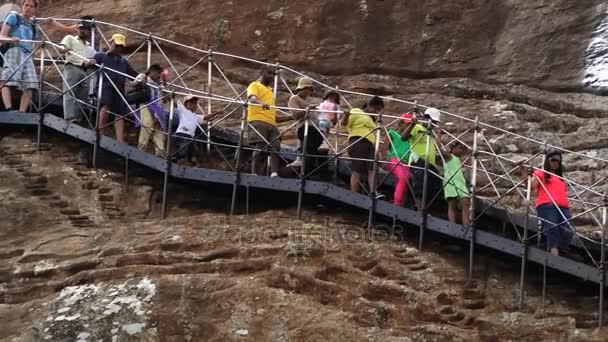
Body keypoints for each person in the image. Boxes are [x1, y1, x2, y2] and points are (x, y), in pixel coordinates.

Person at [86, 33, 138, 144]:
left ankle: (120, 139)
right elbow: (88, 64)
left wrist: (143, 78)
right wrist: (90, 62)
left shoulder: (123, 62)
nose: (118, 48)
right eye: (117, 45)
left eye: (121, 46)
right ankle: (100, 131)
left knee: (120, 112)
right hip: (105, 86)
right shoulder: (101, 56)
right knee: (106, 105)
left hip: (119, 89)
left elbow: (133, 74)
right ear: (111, 43)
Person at [520, 150, 573, 256]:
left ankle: (560, 252)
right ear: (548, 161)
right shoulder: (541, 173)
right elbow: (531, 185)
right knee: (553, 228)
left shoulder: (560, 178)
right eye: (553, 160)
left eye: (558, 161)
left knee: (569, 230)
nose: (556, 163)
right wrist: (523, 170)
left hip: (563, 207)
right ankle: (554, 253)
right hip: (547, 205)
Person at [0, 0, 39, 112]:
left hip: (27, 54)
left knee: (31, 83)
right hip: (14, 49)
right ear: (22, 6)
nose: (28, 8)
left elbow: (33, 41)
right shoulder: (13, 17)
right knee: (8, 79)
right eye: (26, 5)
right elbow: (2, 35)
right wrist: (10, 39)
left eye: (31, 6)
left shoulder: (33, 25)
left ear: (35, 9)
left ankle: (22, 111)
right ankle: (8, 108)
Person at [402, 107, 443, 210]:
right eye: (431, 120)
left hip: (431, 164)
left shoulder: (430, 133)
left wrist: (439, 135)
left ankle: (423, 208)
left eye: (434, 122)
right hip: (418, 160)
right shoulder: (417, 128)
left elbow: (436, 147)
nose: (433, 123)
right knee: (420, 184)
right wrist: (412, 124)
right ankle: (419, 208)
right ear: (425, 118)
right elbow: (403, 137)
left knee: (437, 186)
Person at [342, 96, 383, 194]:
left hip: (370, 144)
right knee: (357, 169)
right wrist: (346, 115)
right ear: (369, 105)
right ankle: (354, 193)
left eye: (378, 111)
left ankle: (374, 192)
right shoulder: (356, 111)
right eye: (376, 109)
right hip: (358, 141)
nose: (376, 112)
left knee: (372, 168)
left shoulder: (372, 119)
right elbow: (344, 123)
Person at [247, 66, 281, 177]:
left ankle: (274, 172)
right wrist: (261, 104)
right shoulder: (254, 85)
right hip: (258, 119)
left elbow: (274, 114)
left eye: (273, 74)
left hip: (272, 122)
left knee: (276, 146)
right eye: (269, 73)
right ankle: (254, 173)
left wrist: (292, 117)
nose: (271, 76)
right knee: (260, 145)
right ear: (261, 72)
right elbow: (252, 98)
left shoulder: (271, 92)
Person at [60, 18, 95, 122]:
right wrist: (64, 49)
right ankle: (69, 116)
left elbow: (94, 57)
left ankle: (78, 117)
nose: (82, 30)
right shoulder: (70, 38)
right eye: (80, 28)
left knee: (83, 95)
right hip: (72, 67)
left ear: (89, 31)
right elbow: (61, 48)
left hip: (84, 70)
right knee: (70, 91)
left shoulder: (90, 47)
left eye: (85, 29)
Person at [173, 95, 217, 165]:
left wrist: (216, 113)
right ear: (185, 104)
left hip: (190, 137)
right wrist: (171, 96)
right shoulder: (183, 110)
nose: (193, 105)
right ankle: (178, 159)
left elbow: (206, 117)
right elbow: (174, 103)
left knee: (193, 149)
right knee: (183, 149)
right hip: (182, 133)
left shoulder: (196, 116)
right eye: (191, 103)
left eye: (194, 103)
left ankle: (190, 161)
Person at [380, 113, 413, 207]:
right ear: (400, 123)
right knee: (403, 177)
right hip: (394, 159)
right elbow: (384, 147)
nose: (408, 127)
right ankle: (397, 203)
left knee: (405, 181)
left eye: (409, 125)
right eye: (406, 124)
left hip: (406, 163)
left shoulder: (410, 138)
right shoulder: (392, 133)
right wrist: (383, 160)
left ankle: (400, 203)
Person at [133, 64, 166, 156]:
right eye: (158, 73)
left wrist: (163, 87)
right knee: (147, 124)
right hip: (146, 104)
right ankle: (141, 148)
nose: (159, 76)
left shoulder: (159, 84)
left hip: (158, 109)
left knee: (158, 128)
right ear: (152, 71)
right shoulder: (143, 77)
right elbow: (134, 84)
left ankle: (160, 151)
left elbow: (164, 99)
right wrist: (142, 81)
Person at [288, 77, 319, 168]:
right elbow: (295, 114)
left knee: (312, 148)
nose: (309, 92)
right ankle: (300, 160)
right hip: (304, 126)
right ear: (302, 88)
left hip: (314, 127)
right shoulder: (294, 99)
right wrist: (307, 109)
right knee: (304, 144)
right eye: (308, 89)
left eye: (310, 90)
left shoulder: (309, 100)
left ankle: (310, 165)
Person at [441, 141, 471, 226]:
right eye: (460, 148)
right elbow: (439, 148)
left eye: (463, 149)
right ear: (453, 148)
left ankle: (466, 226)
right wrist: (439, 135)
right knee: (452, 204)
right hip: (451, 181)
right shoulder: (450, 157)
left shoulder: (459, 160)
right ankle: (452, 225)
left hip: (460, 183)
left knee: (466, 203)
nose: (462, 150)